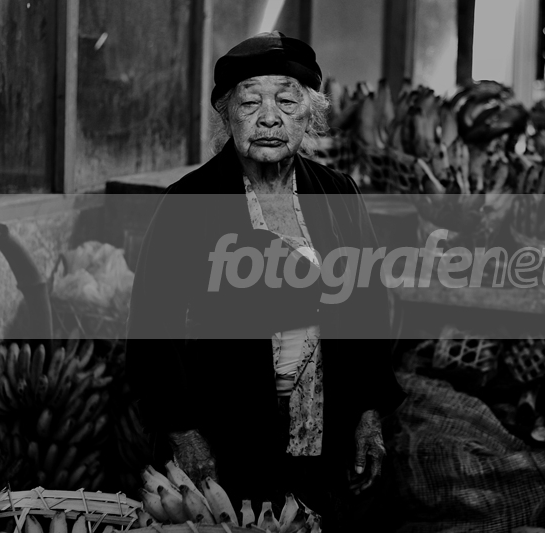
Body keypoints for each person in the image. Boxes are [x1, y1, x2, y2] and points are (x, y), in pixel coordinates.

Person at [125, 31, 406, 529]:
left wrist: (369, 410)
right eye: (250, 102)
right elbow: (152, 323)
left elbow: (369, 304)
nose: (270, 118)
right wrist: (183, 431)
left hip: (324, 429)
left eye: (287, 101)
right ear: (226, 115)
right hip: (228, 435)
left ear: (310, 115)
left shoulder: (337, 193)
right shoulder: (188, 202)